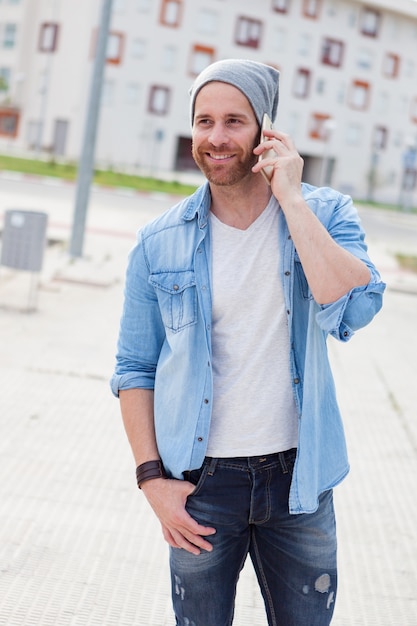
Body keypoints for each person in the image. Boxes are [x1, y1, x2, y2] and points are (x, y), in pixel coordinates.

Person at [111, 59, 385, 626]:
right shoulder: (158, 242)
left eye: (234, 121)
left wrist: (291, 201)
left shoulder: (323, 212)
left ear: (266, 129)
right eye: (204, 120)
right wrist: (152, 480)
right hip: (201, 486)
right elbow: (135, 367)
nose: (216, 137)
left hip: (299, 481)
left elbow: (352, 310)